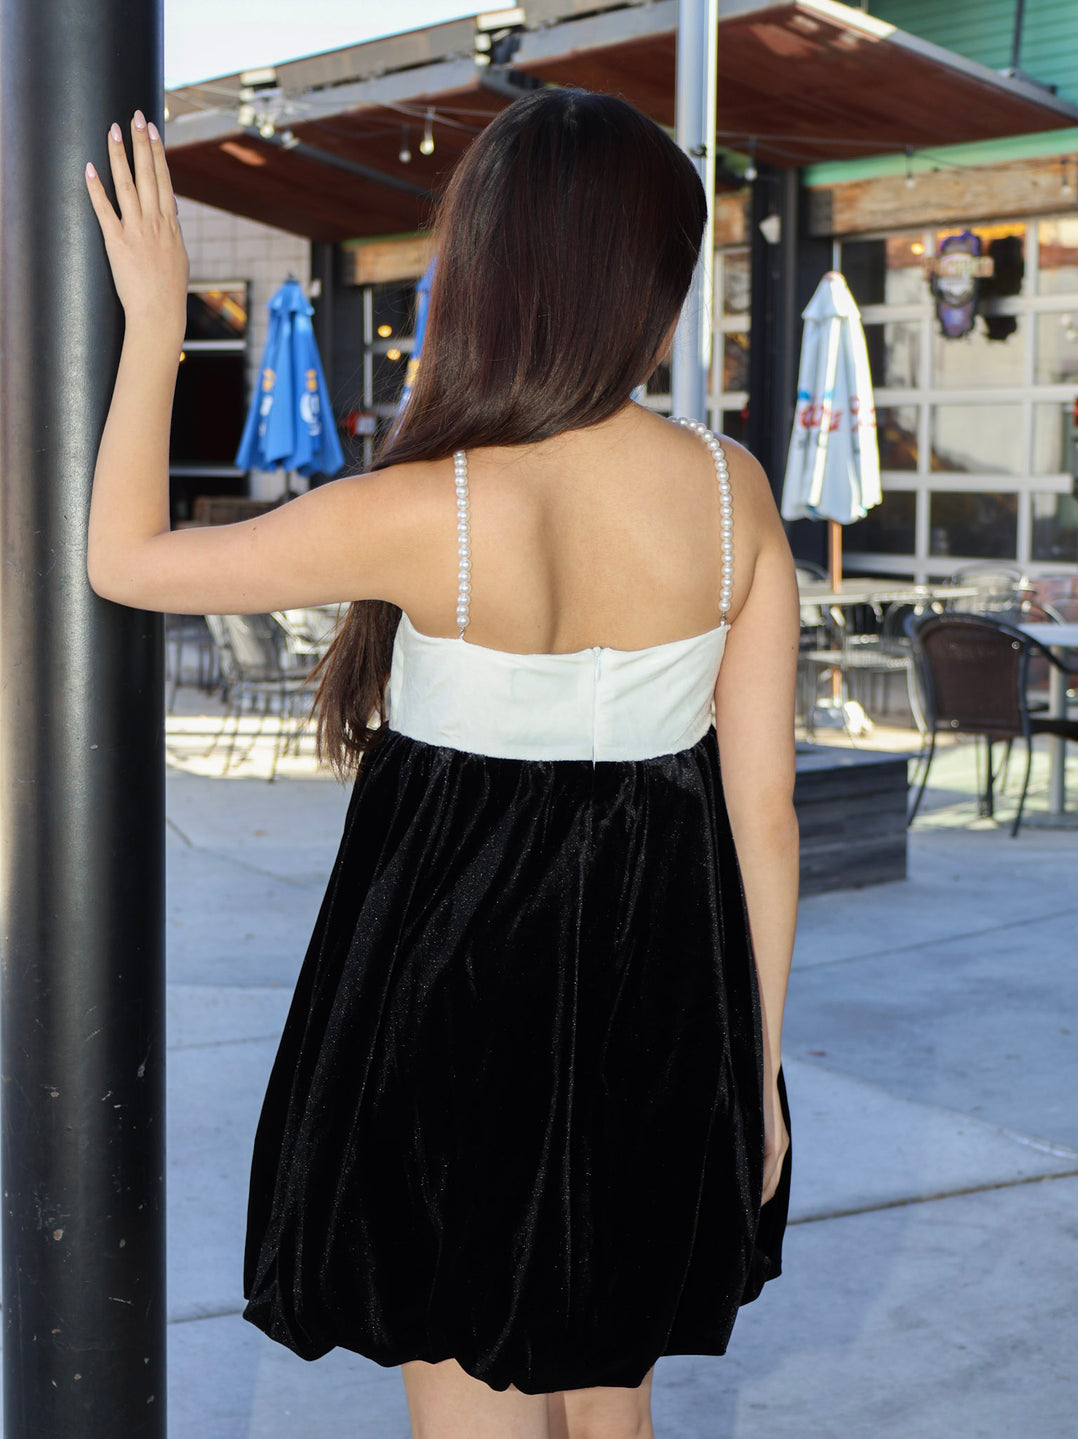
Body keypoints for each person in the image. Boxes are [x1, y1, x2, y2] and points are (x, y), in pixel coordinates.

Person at [85, 89, 797, 1439]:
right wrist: (753, 1074)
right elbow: (764, 813)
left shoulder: (426, 509)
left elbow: (125, 561)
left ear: (488, 266)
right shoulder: (730, 491)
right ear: (652, 282)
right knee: (612, 1405)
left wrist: (163, 328)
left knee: (463, 1393)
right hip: (665, 997)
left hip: (450, 995)